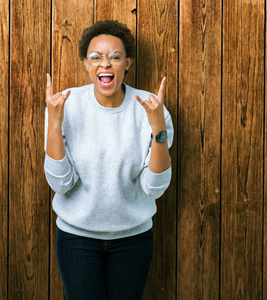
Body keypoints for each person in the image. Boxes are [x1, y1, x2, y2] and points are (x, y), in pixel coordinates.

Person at [44, 20, 173, 299]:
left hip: (133, 239)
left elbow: (155, 187)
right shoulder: (64, 105)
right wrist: (54, 123)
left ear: (127, 63)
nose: (106, 64)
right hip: (77, 238)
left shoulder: (151, 108)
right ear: (85, 64)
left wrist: (158, 129)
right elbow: (60, 184)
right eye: (96, 57)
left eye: (115, 57)